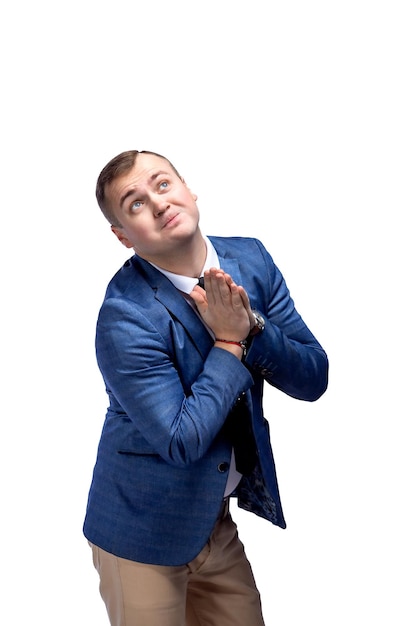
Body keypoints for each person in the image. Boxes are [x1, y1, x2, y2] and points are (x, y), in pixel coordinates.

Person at [83, 149, 329, 626]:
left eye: (162, 184)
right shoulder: (124, 316)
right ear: (122, 236)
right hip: (140, 536)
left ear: (188, 190)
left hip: (212, 522)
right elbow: (181, 440)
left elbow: (313, 377)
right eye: (134, 204)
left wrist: (251, 326)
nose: (157, 203)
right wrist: (230, 342)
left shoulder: (251, 258)